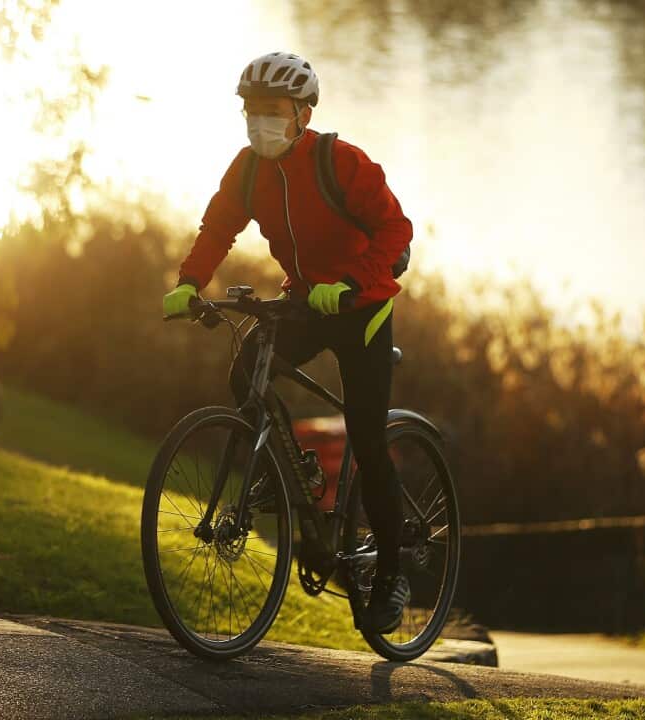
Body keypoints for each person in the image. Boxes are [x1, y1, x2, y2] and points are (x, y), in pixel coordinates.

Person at [162, 51, 413, 634]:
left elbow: (395, 228)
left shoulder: (339, 161)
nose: (259, 123)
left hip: (362, 305)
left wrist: (352, 281)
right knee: (246, 367)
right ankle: (289, 475)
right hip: (305, 299)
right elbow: (218, 228)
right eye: (251, 112)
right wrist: (189, 283)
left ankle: (393, 573)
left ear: (302, 113)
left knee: (370, 441)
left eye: (272, 111)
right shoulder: (248, 169)